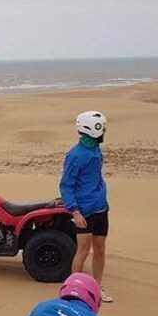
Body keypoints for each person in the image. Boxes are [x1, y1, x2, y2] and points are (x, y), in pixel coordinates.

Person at [59, 110, 113, 303]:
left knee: (100, 248)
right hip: (84, 210)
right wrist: (75, 211)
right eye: (102, 128)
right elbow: (66, 184)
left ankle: (97, 287)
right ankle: (72, 289)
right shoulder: (75, 156)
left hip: (101, 208)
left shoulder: (96, 151)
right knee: (82, 250)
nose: (105, 131)